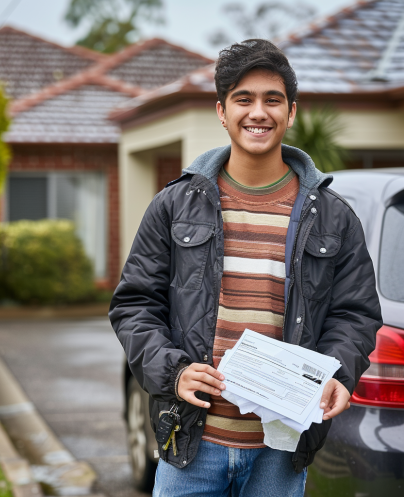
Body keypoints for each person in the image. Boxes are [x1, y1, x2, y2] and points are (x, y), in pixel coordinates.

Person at [109, 39, 382, 496]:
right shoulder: (174, 206)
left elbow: (355, 314)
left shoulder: (334, 217)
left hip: (281, 449)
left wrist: (339, 375)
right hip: (192, 445)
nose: (259, 112)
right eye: (244, 99)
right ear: (222, 111)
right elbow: (134, 305)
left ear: (291, 112)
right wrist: (174, 371)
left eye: (272, 100)